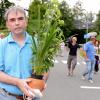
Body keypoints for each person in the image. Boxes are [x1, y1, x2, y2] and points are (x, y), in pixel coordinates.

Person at [0, 6, 47, 100]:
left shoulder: (38, 44)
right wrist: (17, 82)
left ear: (26, 21)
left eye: (20, 19)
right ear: (7, 24)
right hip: (7, 96)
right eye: (12, 20)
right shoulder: (1, 45)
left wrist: (42, 82)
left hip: (33, 97)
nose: (17, 23)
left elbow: (45, 68)